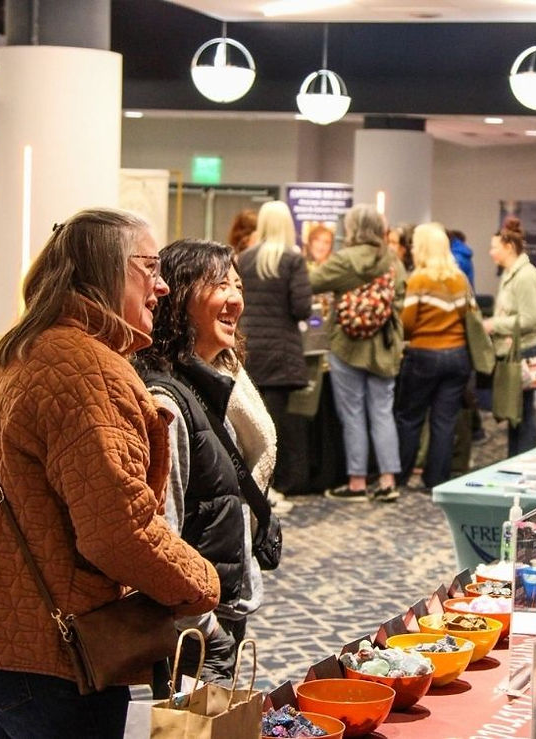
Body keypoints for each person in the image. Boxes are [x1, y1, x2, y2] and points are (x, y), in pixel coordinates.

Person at [0, 208, 220, 737]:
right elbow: (119, 531)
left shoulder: (15, 347)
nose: (161, 285)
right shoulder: (87, 368)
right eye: (149, 266)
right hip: (50, 650)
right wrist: (205, 584)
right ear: (106, 271)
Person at [135, 239, 274, 684]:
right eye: (219, 285)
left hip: (220, 603)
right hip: (190, 625)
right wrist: (203, 627)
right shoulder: (167, 400)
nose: (236, 297)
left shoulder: (219, 383)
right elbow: (161, 532)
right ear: (176, 298)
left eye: (237, 284)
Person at [310, 204, 405, 502]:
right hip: (385, 347)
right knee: (382, 412)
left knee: (352, 414)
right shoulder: (393, 260)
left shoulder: (345, 259)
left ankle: (357, 483)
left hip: (346, 345)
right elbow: (401, 294)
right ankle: (388, 480)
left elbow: (311, 282)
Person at [237, 200, 312, 500]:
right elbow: (302, 308)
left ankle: (253, 482)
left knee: (251, 421)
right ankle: (274, 484)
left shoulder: (243, 258)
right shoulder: (293, 260)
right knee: (276, 423)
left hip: (250, 348)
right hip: (282, 351)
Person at [395, 222, 472, 491]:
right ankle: (436, 479)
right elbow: (469, 317)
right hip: (458, 357)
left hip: (424, 356)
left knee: (410, 418)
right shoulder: (459, 278)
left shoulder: (419, 279)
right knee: (444, 421)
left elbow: (407, 323)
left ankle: (401, 476)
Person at [484, 216, 536, 455]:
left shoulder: (525, 276)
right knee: (515, 412)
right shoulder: (512, 274)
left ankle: (524, 460)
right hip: (513, 351)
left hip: (523, 351)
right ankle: (515, 459)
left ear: (509, 247)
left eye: (494, 247)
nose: (491, 252)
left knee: (523, 412)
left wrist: (494, 324)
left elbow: (530, 318)